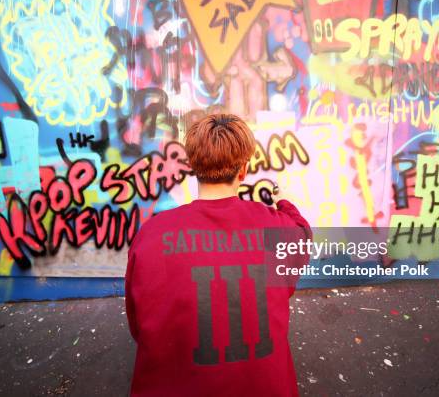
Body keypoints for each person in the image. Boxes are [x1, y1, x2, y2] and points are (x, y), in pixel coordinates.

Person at [125, 113, 310, 396]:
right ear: (243, 170)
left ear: (194, 165)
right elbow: (302, 234)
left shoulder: (151, 235)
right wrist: (284, 202)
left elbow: (139, 327)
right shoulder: (279, 230)